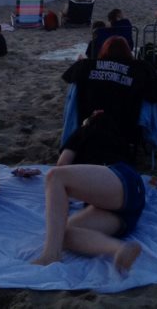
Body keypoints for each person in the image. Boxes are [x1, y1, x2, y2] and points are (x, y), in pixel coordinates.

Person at [31, 111, 145, 271]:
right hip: (129, 201)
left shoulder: (84, 130)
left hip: (119, 179)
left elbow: (62, 164)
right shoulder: (118, 139)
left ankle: (51, 254)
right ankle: (118, 249)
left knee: (54, 177)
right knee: (62, 233)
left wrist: (60, 194)